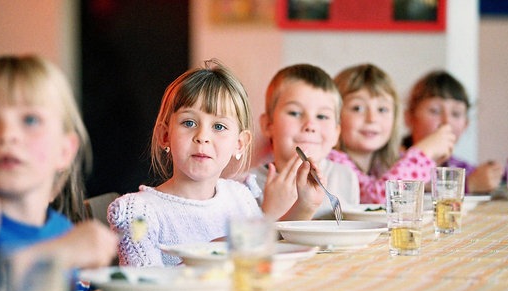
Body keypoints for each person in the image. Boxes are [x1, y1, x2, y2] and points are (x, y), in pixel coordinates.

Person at [108, 59, 325, 267]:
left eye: (219, 127)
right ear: (165, 136)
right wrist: (214, 252)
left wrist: (305, 204)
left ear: (240, 144)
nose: (202, 136)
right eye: (189, 122)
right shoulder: (138, 212)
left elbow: (267, 243)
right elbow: (144, 287)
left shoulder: (239, 196)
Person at [0, 54, 118, 291]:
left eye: (30, 120)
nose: (7, 134)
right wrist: (59, 253)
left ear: (65, 151)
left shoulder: (61, 230)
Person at [328, 63, 456, 203]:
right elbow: (376, 199)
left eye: (382, 109)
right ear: (335, 114)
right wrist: (423, 152)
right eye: (357, 108)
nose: (372, 119)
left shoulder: (382, 164)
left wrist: (432, 162)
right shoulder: (333, 161)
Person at [247, 63, 360, 220]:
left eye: (322, 116)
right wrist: (270, 214)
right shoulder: (247, 185)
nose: (310, 126)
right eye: (294, 113)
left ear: (336, 133)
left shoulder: (345, 177)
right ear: (268, 125)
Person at [403, 70, 504, 194]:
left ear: (466, 124)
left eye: (456, 114)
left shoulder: (460, 168)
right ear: (409, 118)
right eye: (434, 111)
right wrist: (467, 185)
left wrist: (496, 176)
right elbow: (400, 189)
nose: (446, 121)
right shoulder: (390, 162)